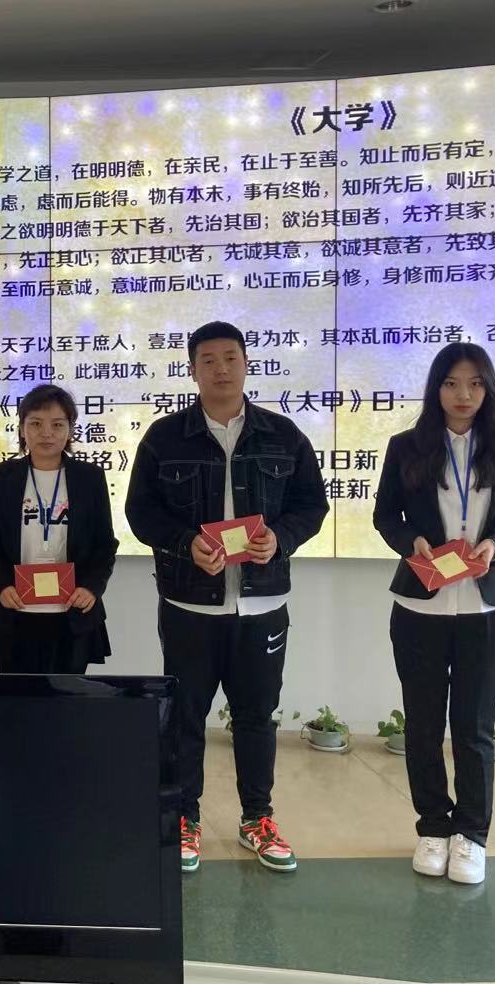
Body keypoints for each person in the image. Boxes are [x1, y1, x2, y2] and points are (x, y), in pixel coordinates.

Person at [124, 321, 328, 875]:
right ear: (192, 369)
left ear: (246, 363)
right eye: (208, 359)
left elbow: (312, 506)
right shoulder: (165, 437)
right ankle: (184, 818)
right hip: (190, 606)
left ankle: (256, 818)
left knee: (256, 716)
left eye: (230, 357)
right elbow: (141, 512)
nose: (221, 368)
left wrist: (279, 539)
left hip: (261, 606)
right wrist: (184, 542)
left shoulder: (283, 435)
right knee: (186, 717)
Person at [373, 342, 495, 885]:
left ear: (488, 387)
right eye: (451, 383)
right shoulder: (407, 447)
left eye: (474, 383)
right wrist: (412, 542)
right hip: (419, 605)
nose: (463, 394)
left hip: (485, 607)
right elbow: (385, 515)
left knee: (473, 728)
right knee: (423, 726)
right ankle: (433, 826)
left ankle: (471, 834)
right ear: (436, 389)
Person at [0, 384, 117, 673]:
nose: (46, 433)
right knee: (16, 697)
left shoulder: (89, 478)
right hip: (14, 609)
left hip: (71, 612)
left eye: (57, 424)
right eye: (36, 424)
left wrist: (92, 587)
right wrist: (1, 585)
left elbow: (104, 544)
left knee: (67, 698)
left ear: (70, 429)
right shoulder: (2, 476)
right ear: (22, 429)